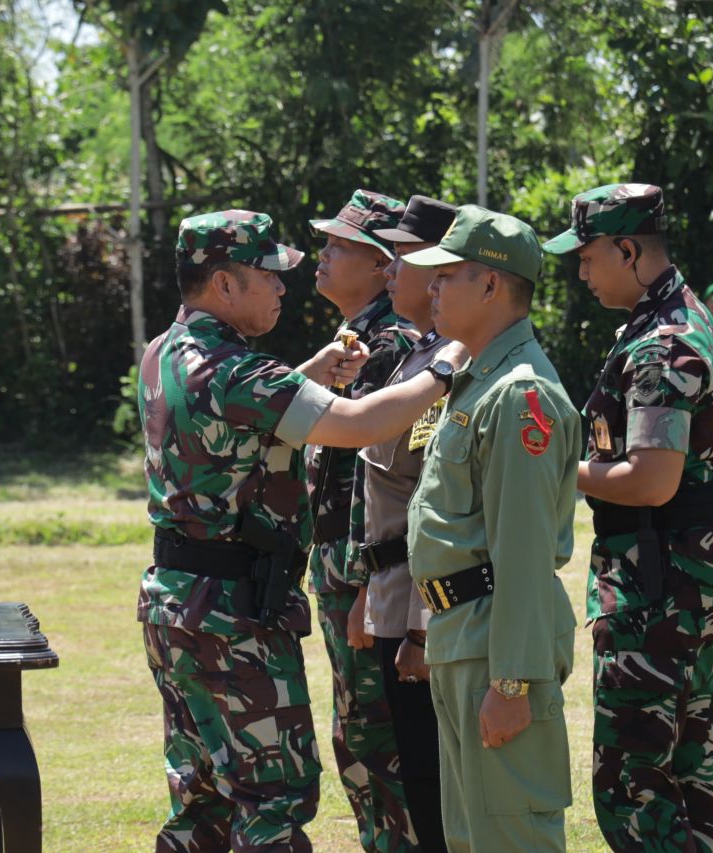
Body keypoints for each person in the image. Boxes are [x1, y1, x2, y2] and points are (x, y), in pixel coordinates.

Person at [138, 209, 466, 852]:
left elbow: (241, 420)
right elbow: (361, 424)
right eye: (269, 275)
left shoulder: (164, 352)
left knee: (202, 797)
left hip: (177, 602)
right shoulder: (236, 371)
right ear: (225, 284)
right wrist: (446, 366)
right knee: (271, 797)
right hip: (234, 615)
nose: (284, 287)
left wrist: (308, 374)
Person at [543, 183, 713, 853]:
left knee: (635, 784)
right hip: (686, 581)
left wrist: (553, 469)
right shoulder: (676, 321)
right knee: (692, 773)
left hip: (660, 591)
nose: (580, 270)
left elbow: (651, 479)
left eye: (588, 255)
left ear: (627, 249)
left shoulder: (661, 343)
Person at [403, 205, 580, 852]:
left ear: (491, 285)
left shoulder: (518, 394)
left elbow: (525, 552)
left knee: (510, 838)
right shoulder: (479, 383)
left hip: (495, 649)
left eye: (447, 275)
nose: (432, 289)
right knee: (475, 838)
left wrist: (512, 682)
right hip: (463, 637)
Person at [344, 194, 460, 853]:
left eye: (404, 256)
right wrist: (371, 589)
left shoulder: (453, 366)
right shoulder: (421, 357)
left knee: (440, 785)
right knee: (418, 778)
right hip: (395, 594)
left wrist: (419, 624)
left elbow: (437, 503)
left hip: (428, 609)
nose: (390, 268)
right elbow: (390, 504)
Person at [306, 188, 417, 850]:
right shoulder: (357, 339)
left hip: (368, 582)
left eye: (338, 245)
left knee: (376, 743)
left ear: (383, 265)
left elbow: (386, 478)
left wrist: (372, 588)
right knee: (360, 740)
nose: (322, 255)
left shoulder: (390, 345)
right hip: (346, 578)